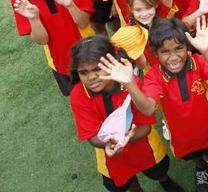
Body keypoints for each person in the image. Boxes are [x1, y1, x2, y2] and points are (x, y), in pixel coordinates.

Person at [99, 17, 208, 192]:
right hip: (182, 136)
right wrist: (130, 82)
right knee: (193, 155)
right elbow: (147, 108)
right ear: (155, 52)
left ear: (187, 47)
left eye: (179, 49)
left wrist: (206, 51)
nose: (174, 57)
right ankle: (200, 168)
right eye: (165, 52)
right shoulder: (154, 76)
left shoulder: (199, 62)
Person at [69, 36, 182, 192]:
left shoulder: (130, 82)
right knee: (123, 183)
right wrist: (113, 144)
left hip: (144, 147)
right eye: (83, 72)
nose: (91, 77)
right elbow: (93, 137)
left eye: (97, 69)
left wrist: (120, 141)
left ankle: (165, 181)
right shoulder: (78, 95)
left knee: (158, 170)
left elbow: (145, 128)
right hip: (109, 154)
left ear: (113, 63)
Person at [11, 0, 94, 95]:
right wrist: (34, 19)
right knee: (79, 97)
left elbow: (84, 22)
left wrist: (70, 6)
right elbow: (42, 40)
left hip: (90, 51)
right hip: (60, 63)